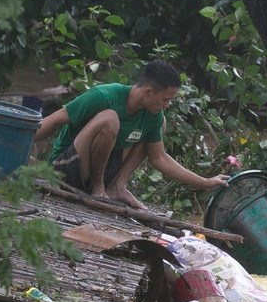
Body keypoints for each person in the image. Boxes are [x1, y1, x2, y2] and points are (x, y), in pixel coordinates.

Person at [34, 60, 230, 209]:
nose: (167, 105)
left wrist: (205, 182)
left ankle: (117, 186)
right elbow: (54, 120)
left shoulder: (153, 115)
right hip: (65, 168)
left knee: (159, 124)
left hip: (101, 171)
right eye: (165, 99)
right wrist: (13, 148)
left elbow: (159, 158)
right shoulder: (103, 96)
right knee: (109, 119)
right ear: (148, 91)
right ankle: (98, 187)